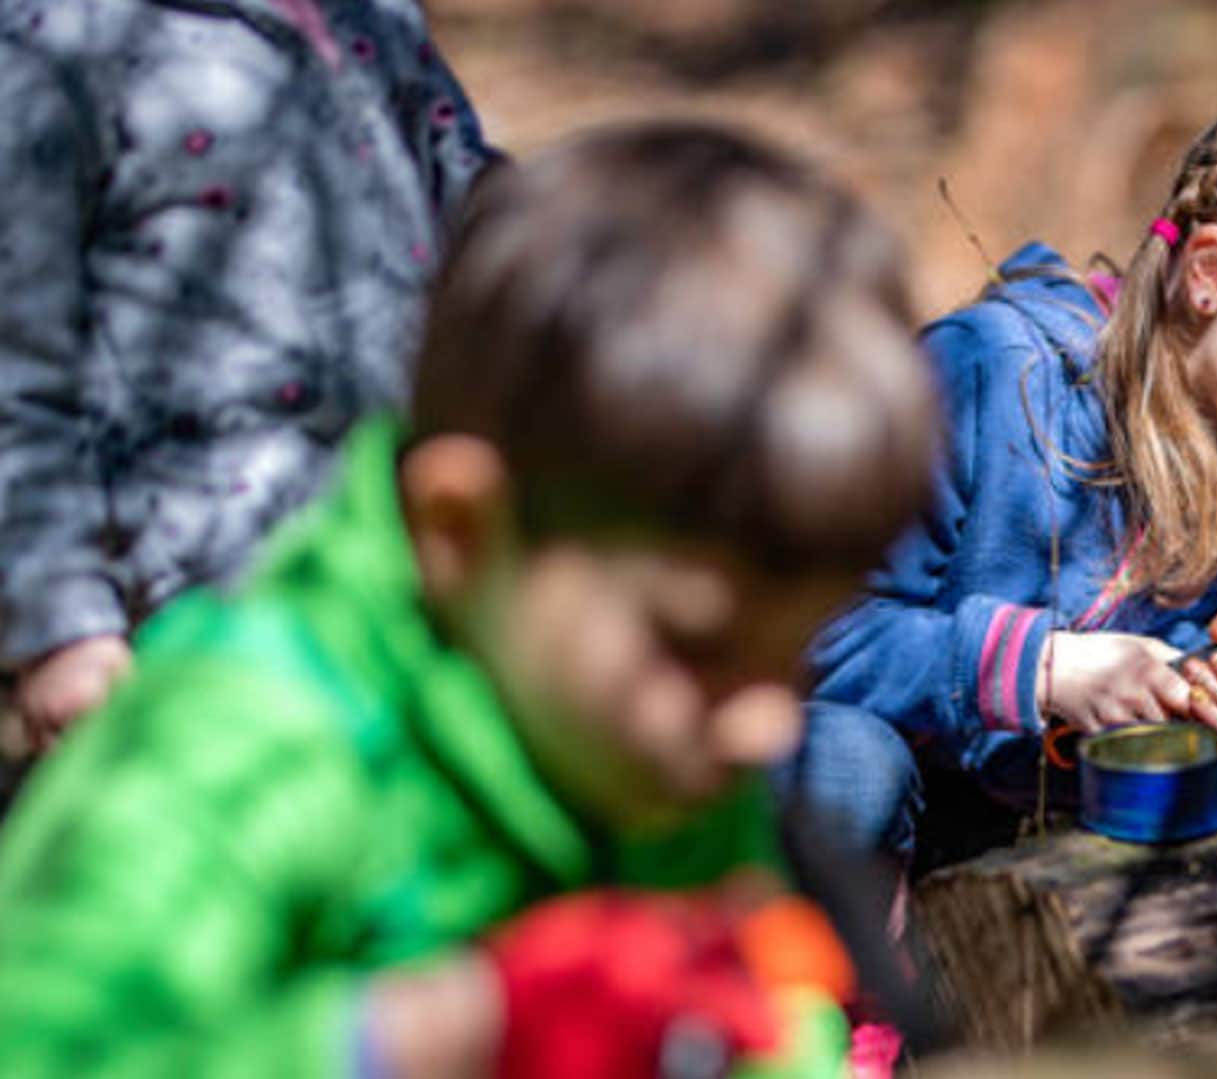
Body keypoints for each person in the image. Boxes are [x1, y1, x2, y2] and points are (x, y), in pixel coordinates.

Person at [0, 121, 940, 1078]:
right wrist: (442, 1032)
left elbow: (750, 1020)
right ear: (458, 531)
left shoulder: (661, 746)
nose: (765, 727)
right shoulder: (241, 758)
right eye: (693, 643)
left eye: (792, 655)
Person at [792, 64, 1217, 869]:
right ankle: (848, 976)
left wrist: (1201, 700)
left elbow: (1134, 683)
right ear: (1213, 276)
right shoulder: (990, 374)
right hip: (878, 800)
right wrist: (1043, 667)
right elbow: (808, 636)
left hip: (1026, 800)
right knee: (839, 763)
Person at [0, 0, 495, 748]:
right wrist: (59, 622)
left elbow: (478, 204)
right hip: (185, 600)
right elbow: (15, 360)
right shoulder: (54, 40)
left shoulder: (373, 16)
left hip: (377, 552)